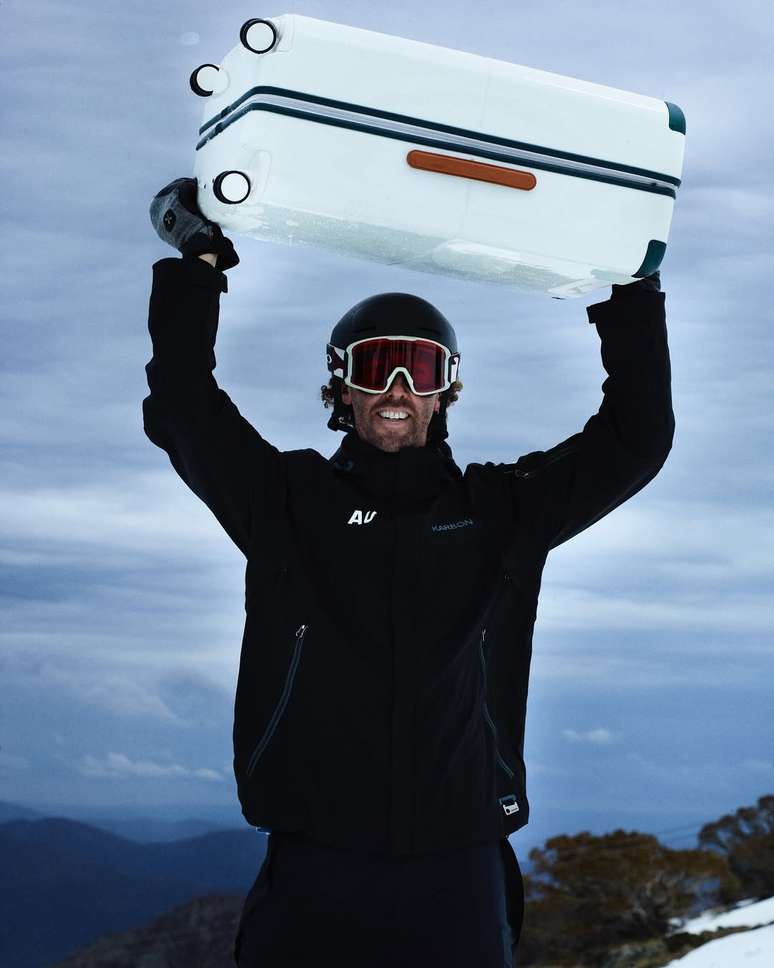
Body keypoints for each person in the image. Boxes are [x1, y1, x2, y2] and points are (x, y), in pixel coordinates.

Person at [145, 177, 674, 967]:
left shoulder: (505, 511)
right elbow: (184, 404)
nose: (398, 390)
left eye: (419, 370)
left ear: (447, 388)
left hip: (457, 866)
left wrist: (631, 283)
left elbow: (638, 436)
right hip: (316, 860)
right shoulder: (287, 503)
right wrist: (200, 263)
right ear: (341, 384)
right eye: (378, 367)